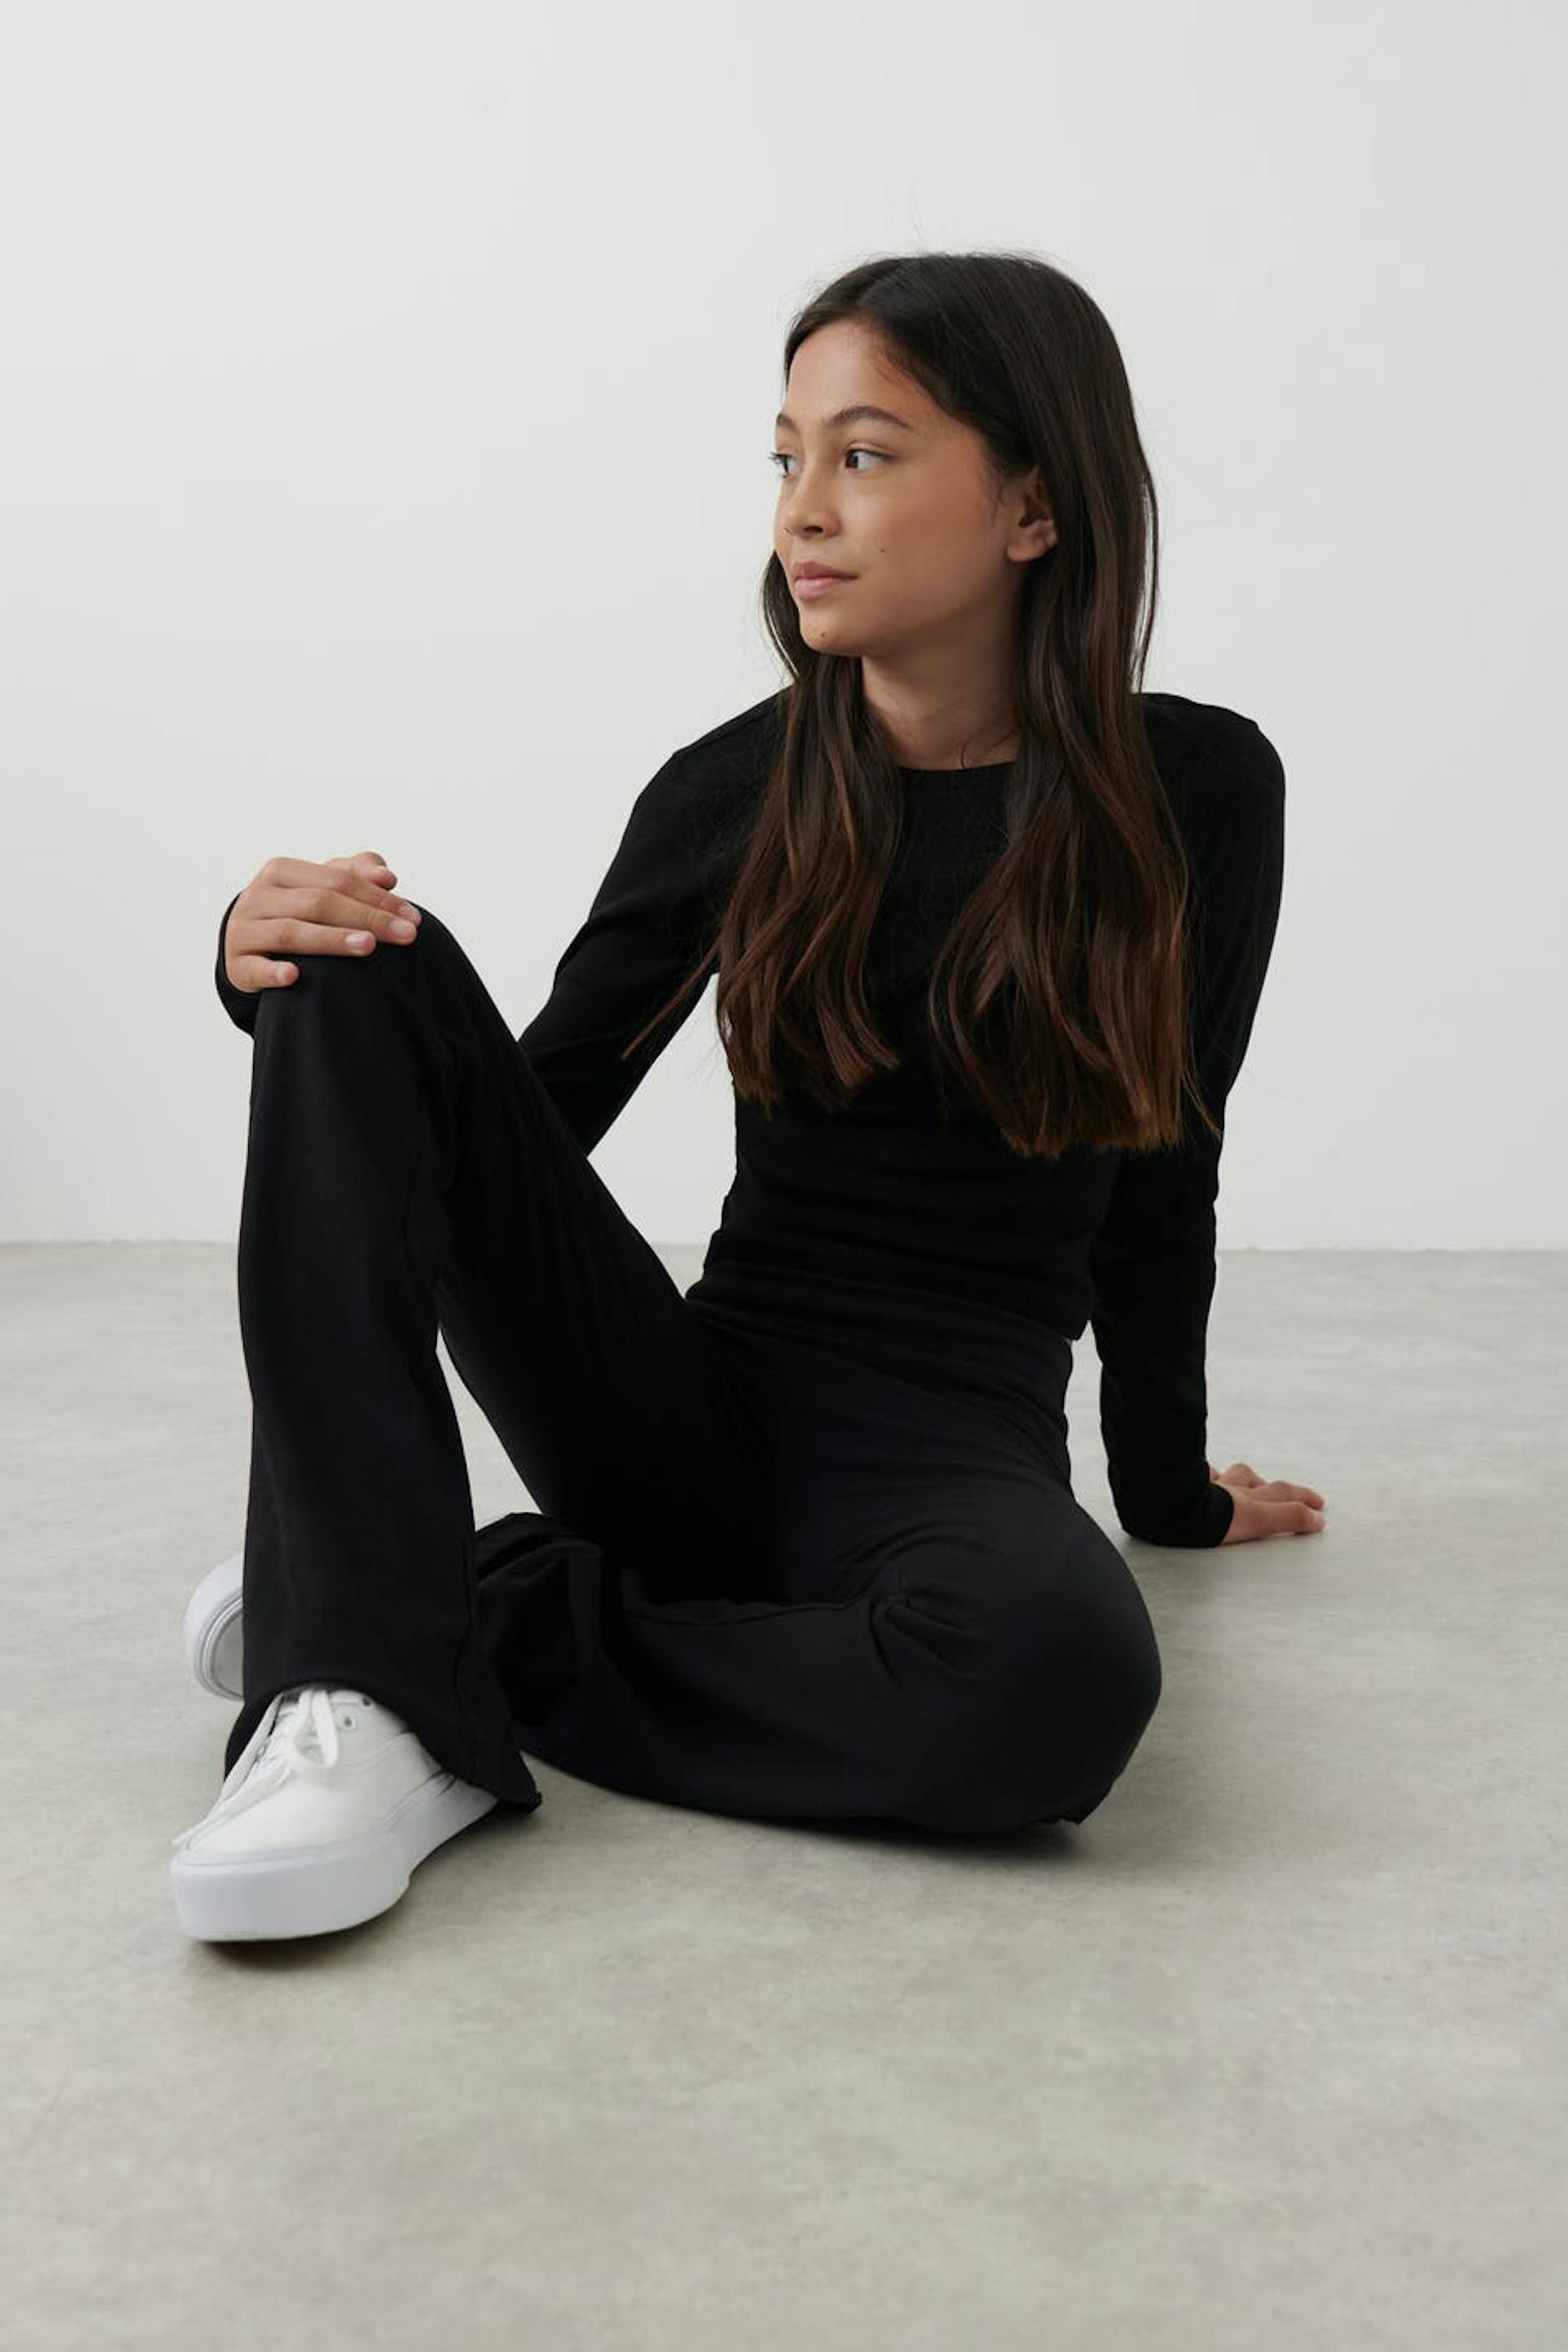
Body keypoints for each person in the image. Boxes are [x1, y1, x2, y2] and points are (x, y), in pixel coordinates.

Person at [169, 249, 1322, 1944]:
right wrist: (267, 973)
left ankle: (445, 1613)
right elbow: (515, 1128)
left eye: (865, 454)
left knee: (1054, 1689)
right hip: (679, 1418)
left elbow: (1173, 1160)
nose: (803, 511)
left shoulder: (1198, 792)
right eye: (787, 459)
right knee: (355, 956)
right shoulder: (738, 788)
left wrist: (1168, 1492)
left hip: (947, 1449)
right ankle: (352, 1685)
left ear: (1035, 506)